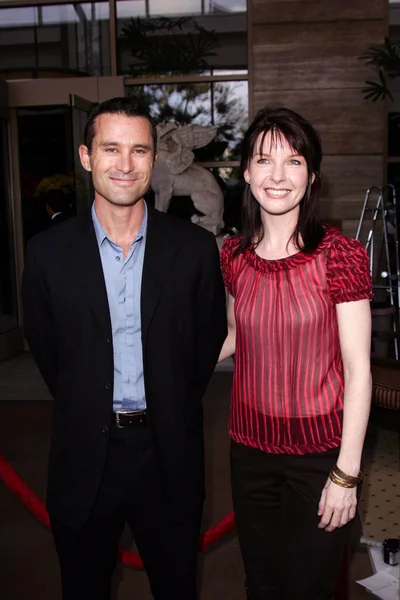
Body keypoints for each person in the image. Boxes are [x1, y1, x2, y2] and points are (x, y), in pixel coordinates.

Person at [21, 97, 227, 600]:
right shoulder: (47, 254)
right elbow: (47, 348)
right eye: (111, 148)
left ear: (154, 158)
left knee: (177, 589)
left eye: (139, 150)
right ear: (86, 156)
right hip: (85, 455)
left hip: (168, 455)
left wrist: (170, 400)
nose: (126, 164)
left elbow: (205, 344)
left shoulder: (194, 249)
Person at [219, 107, 372, 600]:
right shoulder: (234, 257)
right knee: (261, 584)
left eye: (294, 161)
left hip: (320, 456)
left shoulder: (340, 255)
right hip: (249, 452)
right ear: (246, 172)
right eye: (264, 160)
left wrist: (346, 474)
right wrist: (159, 362)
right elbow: (234, 334)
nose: (278, 176)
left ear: (312, 176)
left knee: (310, 588)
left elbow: (359, 369)